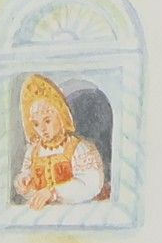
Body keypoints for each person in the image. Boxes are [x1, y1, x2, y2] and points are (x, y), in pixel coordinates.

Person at [13, 72, 107, 209]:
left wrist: (54, 193)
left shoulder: (79, 148)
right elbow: (30, 183)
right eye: (36, 124)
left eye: (47, 121)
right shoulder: (33, 152)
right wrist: (25, 182)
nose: (42, 129)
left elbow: (91, 184)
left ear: (61, 117)